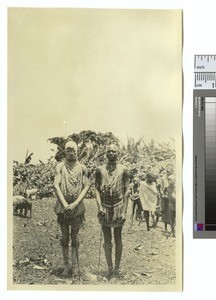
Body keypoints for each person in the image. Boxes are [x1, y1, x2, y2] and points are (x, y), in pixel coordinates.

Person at [53, 141, 89, 277]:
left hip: (77, 207)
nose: (71, 153)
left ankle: (74, 266)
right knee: (64, 237)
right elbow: (56, 185)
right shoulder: (60, 167)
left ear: (77, 151)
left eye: (73, 150)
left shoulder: (83, 168)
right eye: (68, 150)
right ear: (65, 152)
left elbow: (86, 186)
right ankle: (66, 265)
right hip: (63, 207)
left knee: (75, 238)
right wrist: (64, 203)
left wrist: (74, 204)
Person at [95, 144, 130, 280]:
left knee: (118, 238)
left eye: (113, 151)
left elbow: (127, 191)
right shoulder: (100, 170)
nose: (111, 153)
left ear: (118, 153)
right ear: (105, 153)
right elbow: (96, 189)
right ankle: (109, 269)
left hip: (118, 206)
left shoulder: (124, 170)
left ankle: (116, 270)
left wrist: (124, 211)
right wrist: (99, 207)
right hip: (104, 207)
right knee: (107, 239)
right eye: (108, 151)